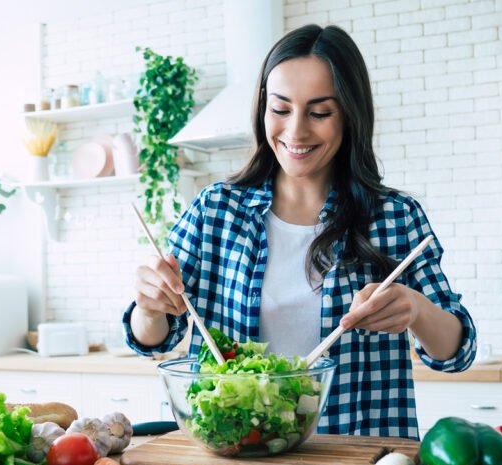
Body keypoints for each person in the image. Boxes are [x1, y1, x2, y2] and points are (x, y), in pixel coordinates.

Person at [122, 24, 476, 440]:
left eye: (320, 112)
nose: (296, 131)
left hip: (355, 462)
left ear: (350, 115)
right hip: (236, 458)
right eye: (281, 109)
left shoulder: (396, 217)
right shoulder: (214, 210)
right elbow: (155, 341)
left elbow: (458, 352)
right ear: (262, 110)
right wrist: (148, 307)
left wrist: (416, 310)